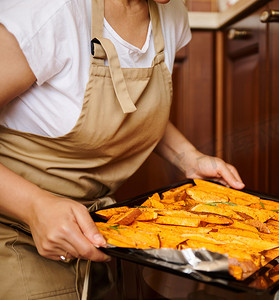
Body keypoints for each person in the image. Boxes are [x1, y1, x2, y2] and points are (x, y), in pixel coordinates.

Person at [0, 0, 244, 298]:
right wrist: (34, 207)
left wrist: (188, 157)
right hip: (14, 227)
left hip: (99, 228)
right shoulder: (52, 13)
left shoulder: (171, 14)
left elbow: (131, 104)